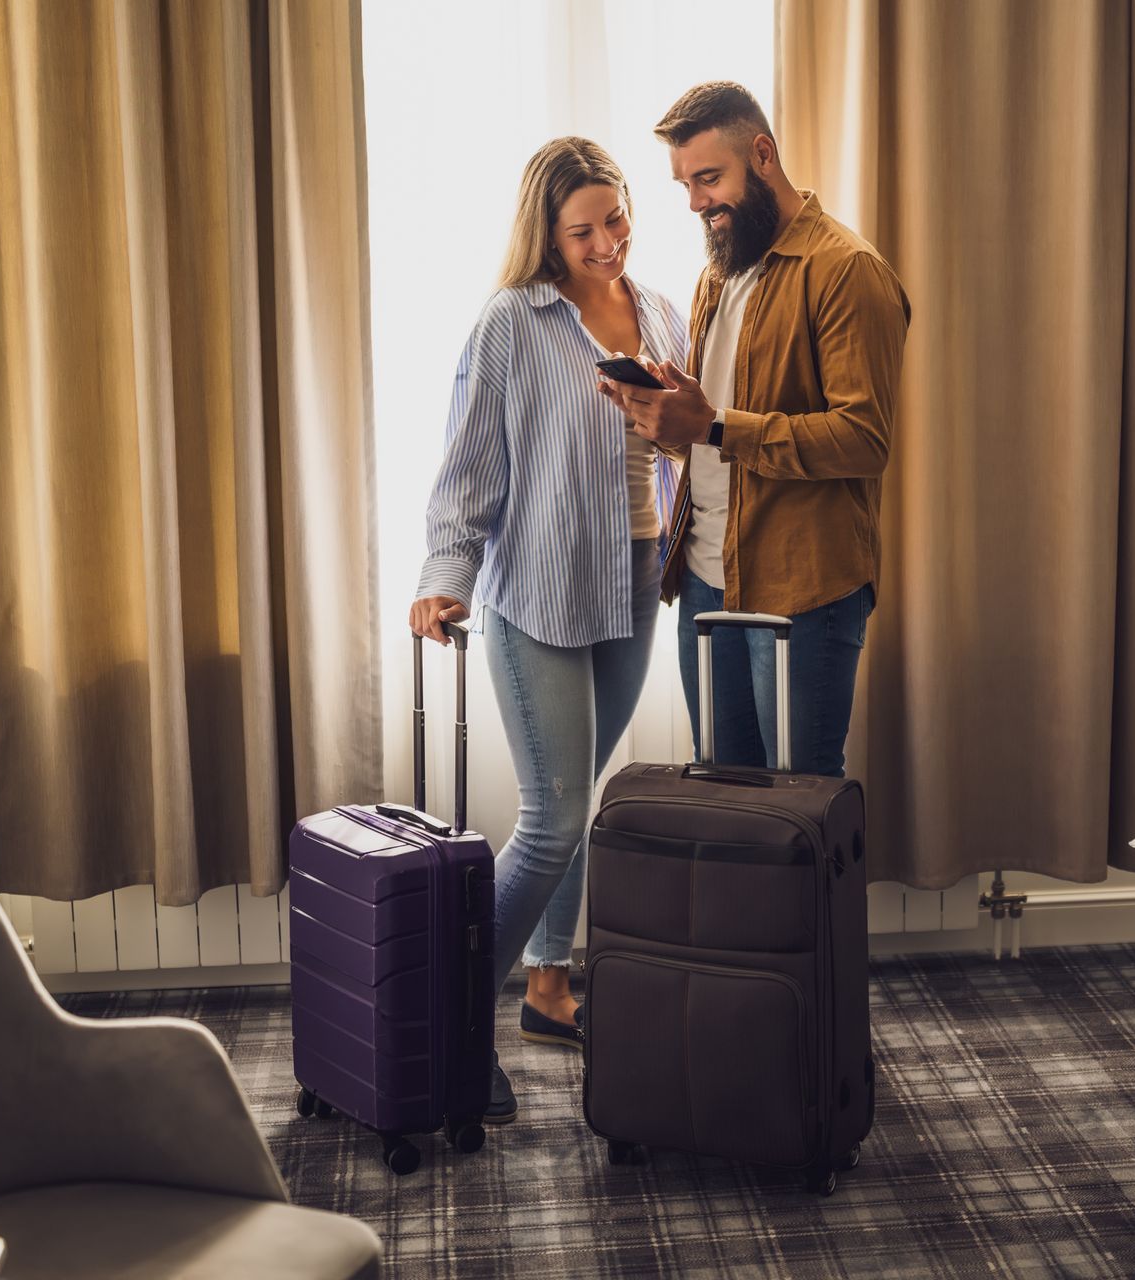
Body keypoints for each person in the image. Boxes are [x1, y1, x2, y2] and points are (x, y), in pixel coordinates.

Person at [409, 137, 687, 1124]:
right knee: (557, 813)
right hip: (537, 598)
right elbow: (470, 463)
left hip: (629, 591)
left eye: (617, 219)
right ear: (547, 233)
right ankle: (448, 1016)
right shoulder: (512, 324)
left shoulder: (658, 311)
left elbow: (679, 445)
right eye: (585, 229)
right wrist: (444, 578)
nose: (609, 241)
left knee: (582, 800)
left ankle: (547, 984)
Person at [602, 81, 911, 780]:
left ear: (763, 155)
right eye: (685, 184)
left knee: (800, 811)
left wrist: (710, 425)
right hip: (706, 579)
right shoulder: (720, 273)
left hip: (803, 591)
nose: (696, 203)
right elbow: (708, 438)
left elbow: (864, 439)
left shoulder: (847, 271)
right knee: (726, 809)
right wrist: (660, 414)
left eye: (709, 178)